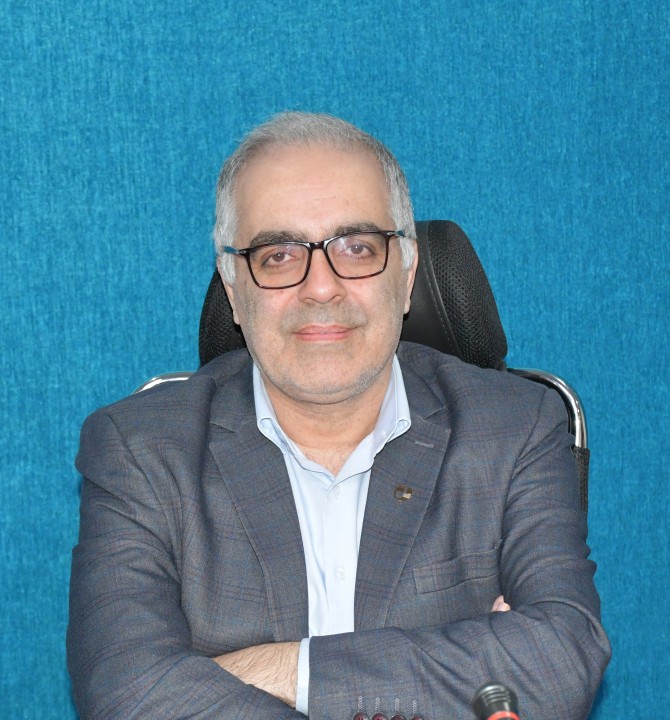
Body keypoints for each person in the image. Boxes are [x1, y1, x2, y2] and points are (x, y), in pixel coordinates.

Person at [67, 111, 610, 720]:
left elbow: (563, 660)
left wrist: (281, 671)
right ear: (234, 288)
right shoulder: (139, 449)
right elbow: (128, 695)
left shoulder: (514, 428)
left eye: (357, 248)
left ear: (407, 274)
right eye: (278, 255)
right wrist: (468, 663)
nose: (321, 287)